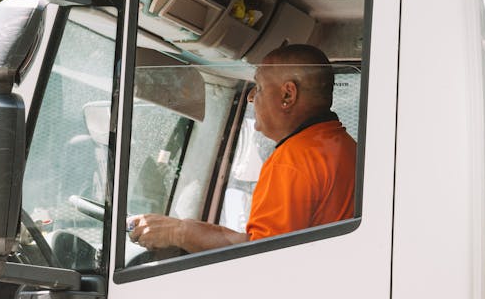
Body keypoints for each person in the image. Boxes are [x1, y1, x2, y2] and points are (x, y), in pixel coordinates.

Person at [127, 44, 357, 255]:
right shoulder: (347, 148)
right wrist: (180, 229)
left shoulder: (293, 161)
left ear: (288, 95)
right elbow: (259, 240)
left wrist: (177, 233)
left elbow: (261, 256)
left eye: (258, 87)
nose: (250, 97)